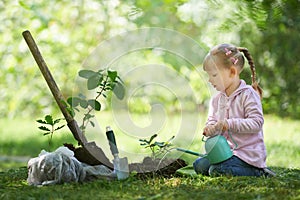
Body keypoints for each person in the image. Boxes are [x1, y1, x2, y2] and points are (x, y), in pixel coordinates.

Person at [193, 43, 275, 177]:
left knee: (216, 170)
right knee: (199, 165)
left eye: (214, 75)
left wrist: (229, 124)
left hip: (247, 156)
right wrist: (210, 128)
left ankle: (258, 171)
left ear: (232, 72)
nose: (209, 80)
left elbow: (257, 122)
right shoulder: (217, 99)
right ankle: (224, 167)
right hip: (226, 153)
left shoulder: (248, 94)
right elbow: (212, 120)